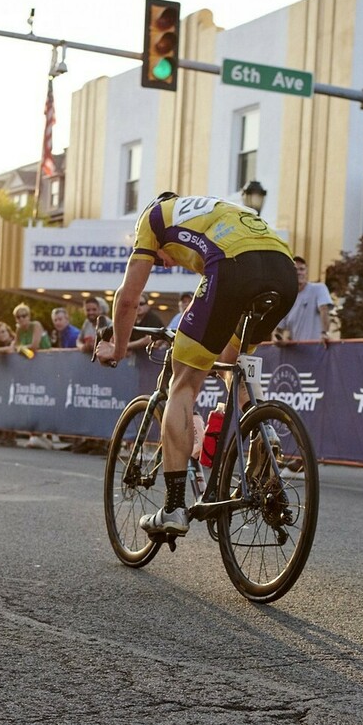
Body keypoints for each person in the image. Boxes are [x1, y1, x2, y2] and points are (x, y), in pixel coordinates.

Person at [96, 191, 297, 538]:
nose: (164, 263)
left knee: (183, 383)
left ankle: (173, 507)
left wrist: (117, 348)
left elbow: (128, 298)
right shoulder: (212, 210)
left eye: (157, 260)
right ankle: (263, 439)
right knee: (230, 363)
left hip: (234, 265)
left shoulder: (153, 218)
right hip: (283, 269)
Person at [272, 256, 333, 344]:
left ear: (306, 272)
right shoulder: (287, 299)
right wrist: (278, 340)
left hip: (317, 350)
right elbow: (278, 330)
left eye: (302, 269)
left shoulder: (318, 288)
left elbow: (324, 309)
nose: (299, 272)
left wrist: (325, 333)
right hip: (297, 353)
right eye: (295, 270)